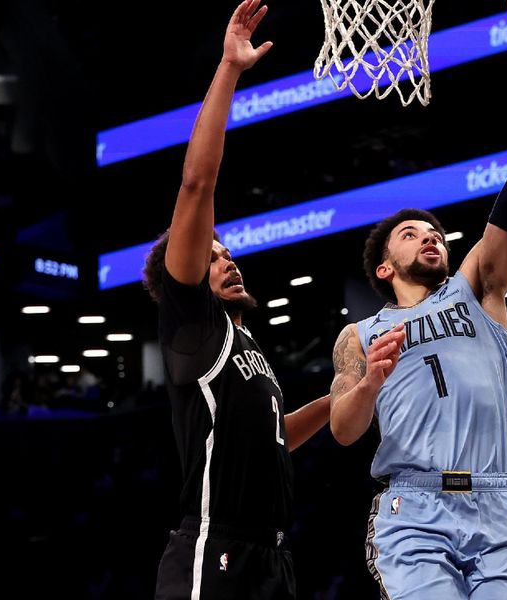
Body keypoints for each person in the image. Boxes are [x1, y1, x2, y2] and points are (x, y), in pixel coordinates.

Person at [328, 1, 507, 597]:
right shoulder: (360, 335)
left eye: (435, 232)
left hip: (497, 500)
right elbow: (344, 431)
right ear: (385, 266)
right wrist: (369, 385)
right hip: (415, 508)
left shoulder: (478, 288)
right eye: (412, 233)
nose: (430, 235)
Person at [142, 2, 330, 598]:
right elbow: (198, 183)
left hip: (274, 555)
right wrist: (229, 68)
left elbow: (276, 432)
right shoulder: (192, 324)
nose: (229, 259)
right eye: (214, 255)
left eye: (229, 253)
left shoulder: (246, 346)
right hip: (215, 550)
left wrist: (346, 394)